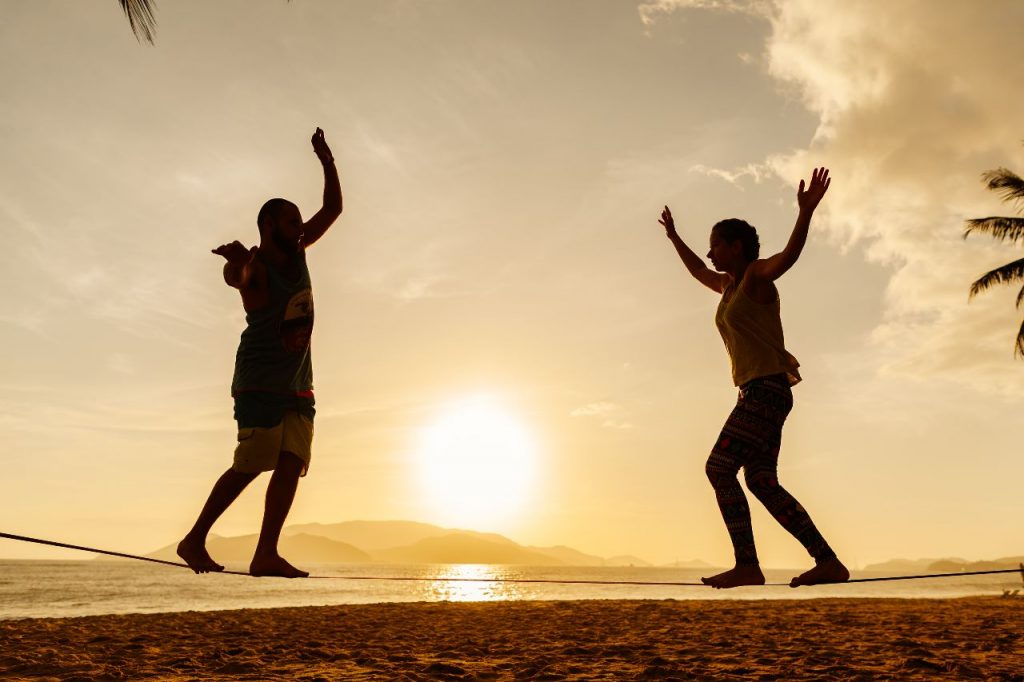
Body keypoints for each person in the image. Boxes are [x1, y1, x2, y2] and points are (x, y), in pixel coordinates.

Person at [658, 167, 849, 588]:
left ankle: (748, 564)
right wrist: (675, 239)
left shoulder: (757, 277)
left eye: (715, 246)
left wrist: (806, 213)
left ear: (736, 246)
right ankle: (828, 561)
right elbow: (697, 272)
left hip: (766, 390)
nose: (710, 254)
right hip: (758, 393)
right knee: (761, 480)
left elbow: (789, 257)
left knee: (718, 467)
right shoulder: (727, 286)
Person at [177, 128, 342, 578]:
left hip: (297, 384)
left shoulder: (299, 251)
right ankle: (194, 540)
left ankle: (265, 552)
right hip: (259, 382)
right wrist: (236, 264)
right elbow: (240, 278)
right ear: (269, 226)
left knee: (292, 462)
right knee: (251, 465)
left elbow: (333, 210)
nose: (301, 226)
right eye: (292, 222)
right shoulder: (258, 267)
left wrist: (327, 161)